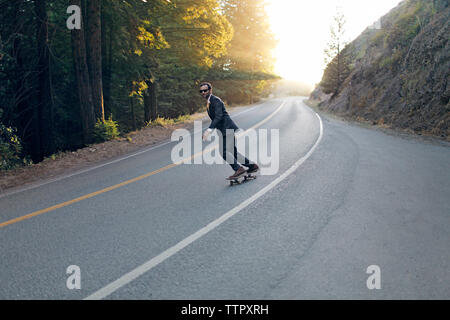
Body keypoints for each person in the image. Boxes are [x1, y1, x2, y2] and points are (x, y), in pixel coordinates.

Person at [199, 82, 259, 180]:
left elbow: (219, 116)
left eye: (205, 90)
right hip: (224, 129)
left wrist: (209, 130)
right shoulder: (210, 101)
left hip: (227, 128)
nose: (203, 92)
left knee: (224, 152)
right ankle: (252, 166)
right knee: (232, 151)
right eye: (201, 91)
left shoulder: (215, 100)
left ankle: (239, 169)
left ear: (210, 90)